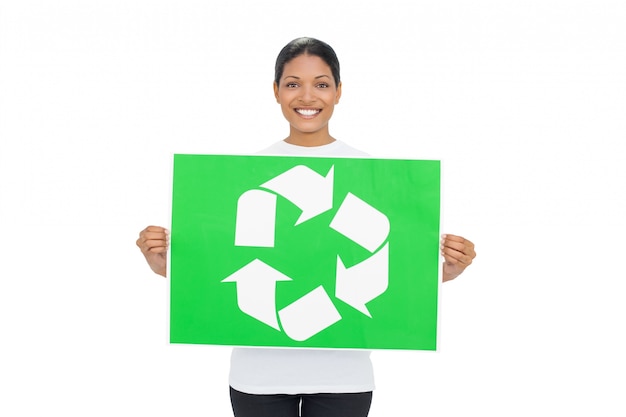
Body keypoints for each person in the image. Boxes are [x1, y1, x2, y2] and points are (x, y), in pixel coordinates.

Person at [136, 37, 476, 417]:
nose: (307, 96)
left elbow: (388, 274)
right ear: (276, 91)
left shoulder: (376, 179)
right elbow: (217, 270)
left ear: (339, 91)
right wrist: (160, 262)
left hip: (343, 377)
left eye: (322, 83)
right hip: (258, 375)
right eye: (293, 83)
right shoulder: (241, 178)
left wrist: (446, 271)